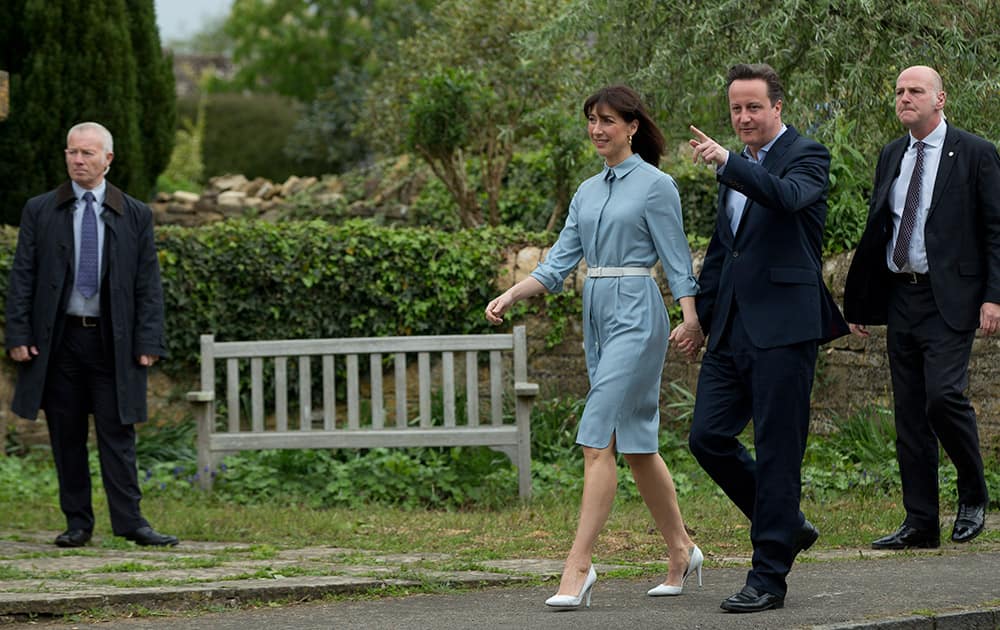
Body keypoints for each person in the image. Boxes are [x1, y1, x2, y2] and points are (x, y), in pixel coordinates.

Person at [486, 85, 704, 609]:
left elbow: (677, 260)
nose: (597, 129)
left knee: (596, 436)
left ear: (632, 126)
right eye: (591, 120)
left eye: (607, 120)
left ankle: (578, 565)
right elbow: (559, 262)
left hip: (637, 309)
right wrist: (513, 293)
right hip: (597, 314)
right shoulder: (586, 192)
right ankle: (682, 549)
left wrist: (691, 318)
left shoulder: (657, 186)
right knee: (636, 443)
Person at [686, 63, 848, 613]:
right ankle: (787, 521)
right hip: (731, 329)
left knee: (779, 453)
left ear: (778, 106)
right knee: (706, 437)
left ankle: (768, 579)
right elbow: (723, 251)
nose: (744, 117)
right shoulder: (733, 169)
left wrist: (729, 162)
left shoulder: (808, 155)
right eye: (736, 108)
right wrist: (700, 319)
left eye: (754, 106)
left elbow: (785, 198)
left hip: (785, 328)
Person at [844, 65, 997, 550]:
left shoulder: (975, 152)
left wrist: (994, 297)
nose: (904, 98)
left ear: (940, 99)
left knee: (942, 398)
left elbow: (996, 231)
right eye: (899, 92)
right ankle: (921, 522)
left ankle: (973, 491)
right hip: (901, 295)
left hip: (951, 297)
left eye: (915, 91)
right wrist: (860, 300)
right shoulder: (893, 154)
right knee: (909, 413)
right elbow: (879, 230)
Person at [5, 122, 178, 548]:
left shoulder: (134, 213)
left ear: (108, 159)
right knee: (65, 434)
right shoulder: (40, 209)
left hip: (112, 343)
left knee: (118, 432)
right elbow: (22, 276)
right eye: (72, 152)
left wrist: (148, 341)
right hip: (59, 342)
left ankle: (131, 522)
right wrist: (18, 333)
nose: (78, 160)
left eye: (87, 153)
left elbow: (147, 283)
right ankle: (77, 523)